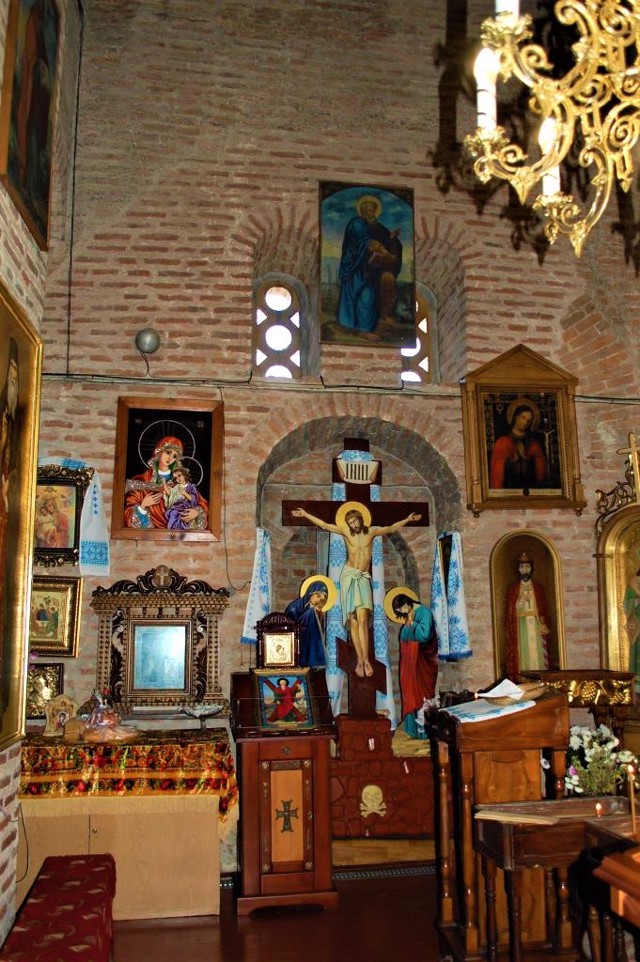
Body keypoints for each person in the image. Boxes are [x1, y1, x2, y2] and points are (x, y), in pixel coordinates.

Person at [291, 503, 421, 678]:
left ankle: (366, 659)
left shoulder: (372, 531)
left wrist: (407, 519)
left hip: (363, 578)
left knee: (363, 619)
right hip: (349, 576)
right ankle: (360, 660)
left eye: (355, 521)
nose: (353, 524)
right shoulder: (346, 532)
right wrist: (306, 514)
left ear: (360, 519)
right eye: (350, 522)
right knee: (353, 620)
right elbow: (325, 525)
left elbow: (390, 528)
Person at [336, 195, 403, 337]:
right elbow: (364, 241)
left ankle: (364, 328)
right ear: (362, 211)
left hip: (367, 269)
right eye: (368, 210)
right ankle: (356, 328)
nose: (371, 213)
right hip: (355, 269)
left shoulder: (377, 226)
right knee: (363, 296)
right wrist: (380, 249)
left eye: (373, 210)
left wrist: (389, 242)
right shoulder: (357, 223)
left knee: (368, 296)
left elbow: (382, 241)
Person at [124, 436, 208, 530]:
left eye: (175, 456)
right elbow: (129, 511)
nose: (170, 458)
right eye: (168, 452)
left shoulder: (181, 482)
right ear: (159, 451)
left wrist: (196, 512)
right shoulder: (141, 480)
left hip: (177, 530)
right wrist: (143, 506)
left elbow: (199, 502)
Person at [391, 591, 438, 739]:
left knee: (423, 694)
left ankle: (424, 731)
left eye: (402, 609)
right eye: (400, 611)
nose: (402, 612)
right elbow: (404, 637)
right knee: (411, 692)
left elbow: (425, 635)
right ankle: (412, 729)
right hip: (411, 662)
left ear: (407, 603)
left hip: (423, 661)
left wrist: (411, 625)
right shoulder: (410, 614)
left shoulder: (424, 612)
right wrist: (409, 626)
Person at [505, 552, 551, 678]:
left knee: (537, 652)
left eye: (527, 567)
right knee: (523, 651)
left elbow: (543, 608)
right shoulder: (514, 589)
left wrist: (544, 624)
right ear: (518, 569)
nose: (524, 570)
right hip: (521, 625)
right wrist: (521, 601)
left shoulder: (538, 588)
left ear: (531, 568)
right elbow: (510, 611)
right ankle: (523, 678)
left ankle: (540, 678)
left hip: (536, 624)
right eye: (522, 567)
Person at [489, 401, 547, 490]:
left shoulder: (533, 444)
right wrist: (512, 461)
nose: (526, 422)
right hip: (508, 489)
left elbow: (541, 471)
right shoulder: (502, 442)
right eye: (523, 417)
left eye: (529, 420)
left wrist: (527, 458)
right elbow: (496, 469)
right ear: (516, 417)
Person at [284, 578, 331, 668]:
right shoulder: (294, 608)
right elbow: (290, 627)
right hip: (293, 642)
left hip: (305, 640)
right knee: (311, 612)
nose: (321, 600)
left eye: (324, 598)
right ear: (310, 594)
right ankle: (314, 660)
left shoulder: (315, 610)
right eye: (318, 596)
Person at [162, 464, 206, 530]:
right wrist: (164, 484)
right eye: (175, 478)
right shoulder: (177, 487)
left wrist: (185, 494)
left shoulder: (191, 487)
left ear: (185, 475)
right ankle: (170, 530)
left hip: (187, 508)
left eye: (179, 475)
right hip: (177, 507)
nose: (178, 479)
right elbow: (170, 493)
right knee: (173, 514)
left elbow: (194, 499)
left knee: (185, 518)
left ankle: (180, 531)